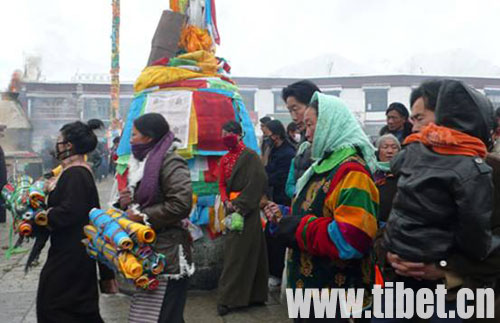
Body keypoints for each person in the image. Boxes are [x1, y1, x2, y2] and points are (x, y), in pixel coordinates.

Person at [381, 80, 497, 322]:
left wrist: (445, 267)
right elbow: (391, 221)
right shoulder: (414, 162)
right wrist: (392, 255)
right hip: (403, 291)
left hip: (463, 299)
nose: (414, 127)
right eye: (412, 120)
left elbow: (484, 244)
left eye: (421, 118)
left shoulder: (486, 172)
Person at [271, 93, 379, 322]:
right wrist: (285, 217)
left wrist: (298, 228)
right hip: (311, 294)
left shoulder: (352, 172)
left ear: (331, 124)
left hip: (337, 300)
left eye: (310, 125)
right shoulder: (322, 165)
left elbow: (353, 239)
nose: (307, 135)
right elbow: (314, 211)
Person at [36, 121, 117, 323]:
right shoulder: (73, 171)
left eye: (60, 140)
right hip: (72, 252)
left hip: (72, 255)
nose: (57, 144)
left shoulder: (76, 174)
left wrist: (42, 215)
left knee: (57, 307)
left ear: (69, 145)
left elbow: (70, 211)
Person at [118, 113, 194, 323]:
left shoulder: (171, 162)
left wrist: (142, 216)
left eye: (134, 135)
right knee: (153, 315)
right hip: (152, 250)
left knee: (163, 315)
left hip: (168, 254)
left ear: (149, 137)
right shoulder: (145, 163)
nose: (131, 139)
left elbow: (181, 204)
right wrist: (128, 201)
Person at [217, 121, 269, 316]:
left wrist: (241, 204)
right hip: (232, 210)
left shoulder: (251, 156)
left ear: (239, 134)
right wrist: (225, 201)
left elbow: (258, 181)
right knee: (235, 254)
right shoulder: (224, 160)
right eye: (223, 133)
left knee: (246, 253)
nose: (226, 136)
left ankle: (231, 298)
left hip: (247, 210)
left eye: (229, 133)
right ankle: (235, 297)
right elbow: (222, 184)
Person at [263, 120, 296, 287]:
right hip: (274, 197)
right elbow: (267, 169)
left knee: (276, 236)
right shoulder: (274, 150)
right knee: (270, 235)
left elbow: (277, 177)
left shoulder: (288, 153)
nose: (265, 136)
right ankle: (273, 271)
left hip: (284, 200)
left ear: (276, 134)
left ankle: (277, 273)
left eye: (267, 132)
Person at [281, 80, 321, 199]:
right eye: (290, 111)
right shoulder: (303, 144)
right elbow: (291, 183)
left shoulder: (331, 146)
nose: (293, 117)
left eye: (296, 109)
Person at [373, 134, 401, 224]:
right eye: (385, 147)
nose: (390, 151)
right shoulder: (371, 171)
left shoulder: (405, 171)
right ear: (377, 151)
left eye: (394, 147)